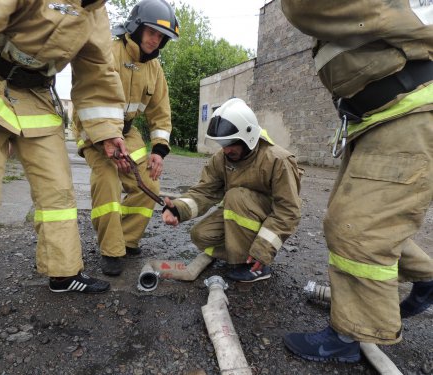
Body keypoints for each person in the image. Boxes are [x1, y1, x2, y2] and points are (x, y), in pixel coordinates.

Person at [0, 0, 128, 332]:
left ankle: (64, 273)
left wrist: (108, 131)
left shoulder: (94, 10)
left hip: (37, 96)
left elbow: (97, 71)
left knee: (59, 194)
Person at [280, 0, 433, 363]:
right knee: (360, 219)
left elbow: (300, 9)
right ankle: (428, 279)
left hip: (409, 115)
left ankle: (348, 337)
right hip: (382, 119)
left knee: (357, 228)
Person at [73, 0, 178, 276]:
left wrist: (158, 150)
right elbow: (87, 97)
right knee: (108, 181)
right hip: (95, 130)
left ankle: (127, 240)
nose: (156, 40)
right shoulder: (108, 51)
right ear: (137, 27)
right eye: (152, 32)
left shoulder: (155, 68)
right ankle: (111, 250)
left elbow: (160, 113)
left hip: (126, 132)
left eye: (161, 36)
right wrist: (105, 138)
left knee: (150, 185)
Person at [162, 98, 302, 282]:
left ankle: (256, 265)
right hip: (239, 210)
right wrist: (178, 209)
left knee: (235, 195)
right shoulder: (221, 159)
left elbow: (288, 211)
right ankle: (239, 253)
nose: (226, 150)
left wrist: (264, 249)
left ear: (249, 136)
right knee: (200, 235)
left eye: (231, 144)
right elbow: (205, 191)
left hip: (265, 219)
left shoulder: (278, 160)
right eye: (223, 144)